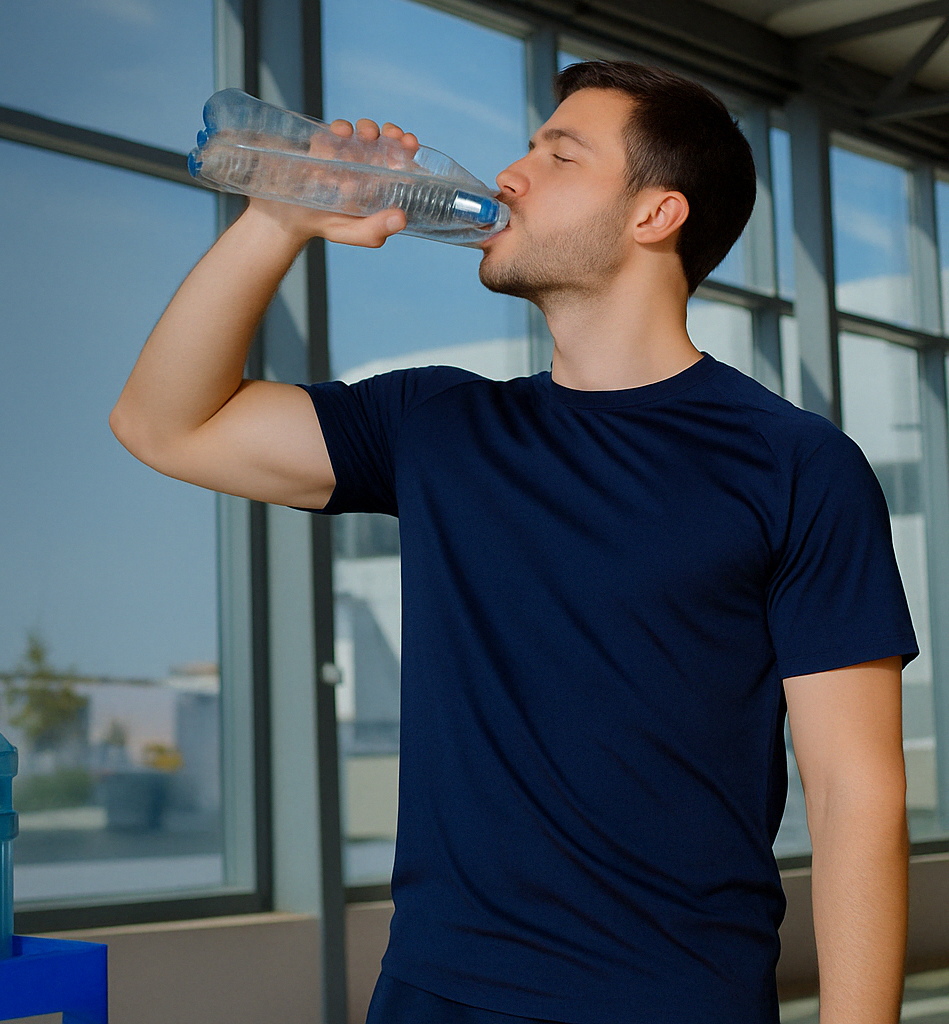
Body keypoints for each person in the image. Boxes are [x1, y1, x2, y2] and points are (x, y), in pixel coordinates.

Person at [110, 59, 918, 1024]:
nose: (511, 175)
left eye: (559, 153)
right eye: (528, 145)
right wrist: (281, 217)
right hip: (434, 992)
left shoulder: (796, 464)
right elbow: (165, 424)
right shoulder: (440, 422)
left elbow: (853, 793)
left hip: (673, 999)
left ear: (655, 215)